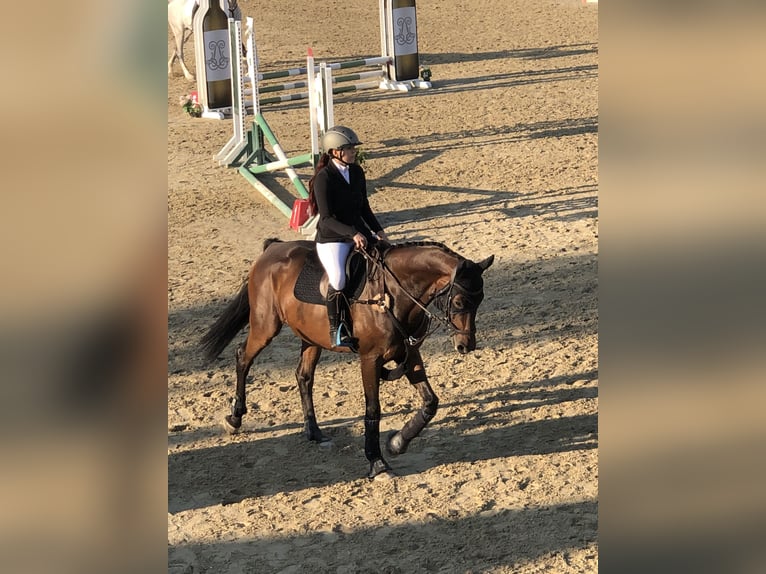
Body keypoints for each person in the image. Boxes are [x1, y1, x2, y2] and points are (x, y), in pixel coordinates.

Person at [308, 126, 389, 351]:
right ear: (335, 152)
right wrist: (352, 234)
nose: (354, 152)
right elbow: (326, 218)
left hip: (358, 233)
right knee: (339, 280)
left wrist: (379, 232)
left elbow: (364, 207)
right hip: (332, 239)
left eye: (353, 148)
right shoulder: (324, 179)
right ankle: (337, 330)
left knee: (385, 260)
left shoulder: (356, 172)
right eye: (349, 149)